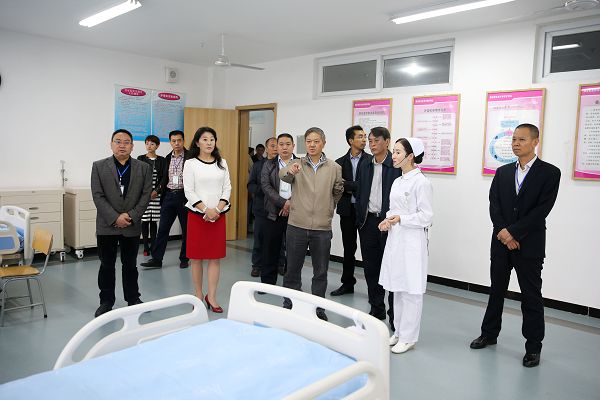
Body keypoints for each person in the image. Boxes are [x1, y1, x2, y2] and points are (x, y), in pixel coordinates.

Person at [470, 123, 560, 368]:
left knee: (531, 297)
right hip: (501, 243)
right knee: (496, 291)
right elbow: (494, 204)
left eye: (522, 139)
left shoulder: (550, 173)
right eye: (514, 139)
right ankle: (489, 334)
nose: (516, 144)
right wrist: (503, 233)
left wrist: (513, 232)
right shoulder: (503, 172)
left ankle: (533, 347)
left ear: (535, 142)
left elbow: (542, 210)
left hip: (529, 245)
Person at [279, 127, 344, 320]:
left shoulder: (334, 167)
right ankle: (290, 303)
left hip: (322, 228)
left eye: (316, 141)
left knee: (320, 271)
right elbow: (283, 175)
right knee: (292, 269)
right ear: (305, 143)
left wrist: (328, 207)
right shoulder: (296, 164)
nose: (312, 145)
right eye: (308, 141)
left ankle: (318, 308)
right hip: (297, 225)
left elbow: (338, 191)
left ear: (323, 143)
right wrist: (290, 170)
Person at [379, 137, 433, 354]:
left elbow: (426, 216)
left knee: (412, 290)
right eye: (394, 151)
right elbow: (394, 209)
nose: (393, 156)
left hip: (413, 242)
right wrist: (388, 220)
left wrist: (402, 219)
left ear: (411, 156)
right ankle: (399, 331)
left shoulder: (421, 182)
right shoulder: (398, 181)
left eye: (398, 152)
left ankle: (409, 337)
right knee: (398, 286)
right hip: (396, 239)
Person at [91, 129, 152, 317]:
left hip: (131, 225)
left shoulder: (143, 168)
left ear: (132, 146)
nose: (122, 145)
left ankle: (133, 298)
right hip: (106, 225)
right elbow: (98, 195)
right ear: (111, 144)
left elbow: (145, 196)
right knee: (106, 265)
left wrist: (131, 216)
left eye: (126, 142)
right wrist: (115, 217)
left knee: (130, 265)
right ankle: (106, 301)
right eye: (118, 141)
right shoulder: (99, 166)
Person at [355, 127, 401, 326]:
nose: (372, 144)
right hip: (368, 222)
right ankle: (376, 308)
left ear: (387, 141)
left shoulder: (396, 165)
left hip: (390, 224)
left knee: (392, 269)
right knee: (371, 268)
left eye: (376, 140)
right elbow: (359, 192)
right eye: (370, 141)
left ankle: (394, 315)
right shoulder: (365, 164)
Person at [183, 127, 232, 313]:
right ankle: (198, 294)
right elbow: (189, 191)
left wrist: (217, 209)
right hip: (197, 216)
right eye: (205, 139)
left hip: (218, 216)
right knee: (196, 258)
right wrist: (205, 209)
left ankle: (211, 296)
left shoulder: (222, 163)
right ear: (197, 143)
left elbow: (227, 188)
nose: (209, 142)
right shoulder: (190, 164)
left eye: (212, 139)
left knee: (214, 258)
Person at [141, 130, 189, 269]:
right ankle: (157, 259)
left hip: (184, 196)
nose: (176, 143)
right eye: (173, 141)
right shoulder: (167, 158)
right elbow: (164, 178)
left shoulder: (191, 157)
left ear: (183, 141)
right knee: (162, 229)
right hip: (168, 196)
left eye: (179, 140)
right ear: (170, 142)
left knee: (186, 230)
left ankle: (184, 258)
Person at [331, 125, 370, 296]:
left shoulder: (370, 161)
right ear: (350, 140)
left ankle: (373, 288)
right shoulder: (339, 163)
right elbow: (337, 186)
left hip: (365, 212)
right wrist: (356, 186)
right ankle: (347, 283)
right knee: (348, 249)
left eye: (365, 136)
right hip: (347, 211)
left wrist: (350, 185)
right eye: (360, 137)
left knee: (369, 250)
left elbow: (367, 186)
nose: (364, 140)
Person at [260, 133, 298, 286]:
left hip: (295, 213)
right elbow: (266, 186)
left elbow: (305, 188)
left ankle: (290, 284)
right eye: (281, 144)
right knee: (270, 249)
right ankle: (267, 283)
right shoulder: (269, 164)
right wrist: (283, 203)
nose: (284, 147)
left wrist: (290, 204)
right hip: (273, 212)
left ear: (293, 146)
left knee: (293, 251)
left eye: (288, 144)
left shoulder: (301, 164)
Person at [247, 137, 277, 277]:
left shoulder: (284, 165)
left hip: (279, 209)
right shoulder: (258, 165)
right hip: (261, 208)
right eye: (272, 146)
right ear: (266, 149)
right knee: (259, 239)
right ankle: (257, 265)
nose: (275, 148)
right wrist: (265, 190)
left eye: (277, 145)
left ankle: (280, 264)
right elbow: (250, 185)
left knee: (279, 240)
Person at [137, 135, 166, 256]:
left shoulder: (162, 160)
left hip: (156, 195)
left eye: (152, 144)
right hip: (144, 195)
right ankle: (145, 247)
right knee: (144, 221)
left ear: (157, 146)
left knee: (153, 221)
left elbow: (164, 177)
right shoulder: (140, 158)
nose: (149, 146)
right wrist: (146, 192)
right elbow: (138, 176)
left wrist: (157, 191)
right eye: (147, 143)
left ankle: (154, 246)